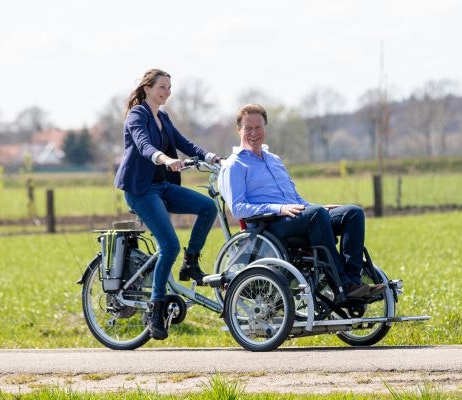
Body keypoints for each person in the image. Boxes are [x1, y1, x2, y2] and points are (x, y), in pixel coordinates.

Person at [218, 103, 385, 302]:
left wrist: (316, 206)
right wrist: (279, 208)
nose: (254, 133)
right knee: (316, 215)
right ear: (239, 130)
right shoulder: (235, 165)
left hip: (296, 216)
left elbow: (294, 198)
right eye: (248, 128)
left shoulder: (274, 160)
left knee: (352, 213)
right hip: (269, 226)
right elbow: (238, 208)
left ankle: (354, 282)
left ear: (265, 128)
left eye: (258, 127)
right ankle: (342, 286)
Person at [114, 68, 220, 340]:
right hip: (141, 190)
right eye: (162, 86)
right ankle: (156, 309)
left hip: (163, 186)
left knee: (208, 207)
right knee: (169, 245)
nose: (167, 92)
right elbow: (143, 145)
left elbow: (182, 142)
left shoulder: (162, 116)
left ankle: (191, 262)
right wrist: (164, 159)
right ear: (147, 88)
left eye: (170, 88)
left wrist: (209, 156)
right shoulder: (137, 115)